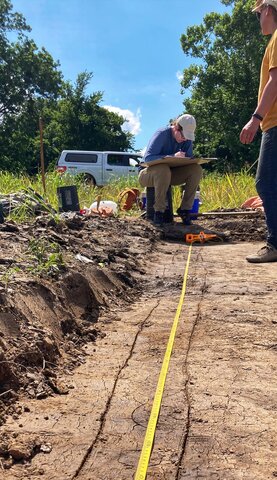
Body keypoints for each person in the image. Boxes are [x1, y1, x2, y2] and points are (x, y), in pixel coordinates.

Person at [240, 0, 277, 263]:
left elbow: (275, 82)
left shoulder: (276, 39)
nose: (258, 20)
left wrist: (256, 119)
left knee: (265, 182)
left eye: (258, 15)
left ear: (267, 10)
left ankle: (275, 244)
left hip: (274, 123)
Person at [138, 114, 202, 226]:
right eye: (183, 136)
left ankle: (185, 210)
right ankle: (159, 212)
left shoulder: (187, 140)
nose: (185, 140)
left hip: (170, 174)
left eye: (188, 137)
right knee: (163, 169)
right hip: (148, 174)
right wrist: (172, 156)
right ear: (176, 128)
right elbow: (147, 158)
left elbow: (189, 160)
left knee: (196, 169)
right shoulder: (162, 134)